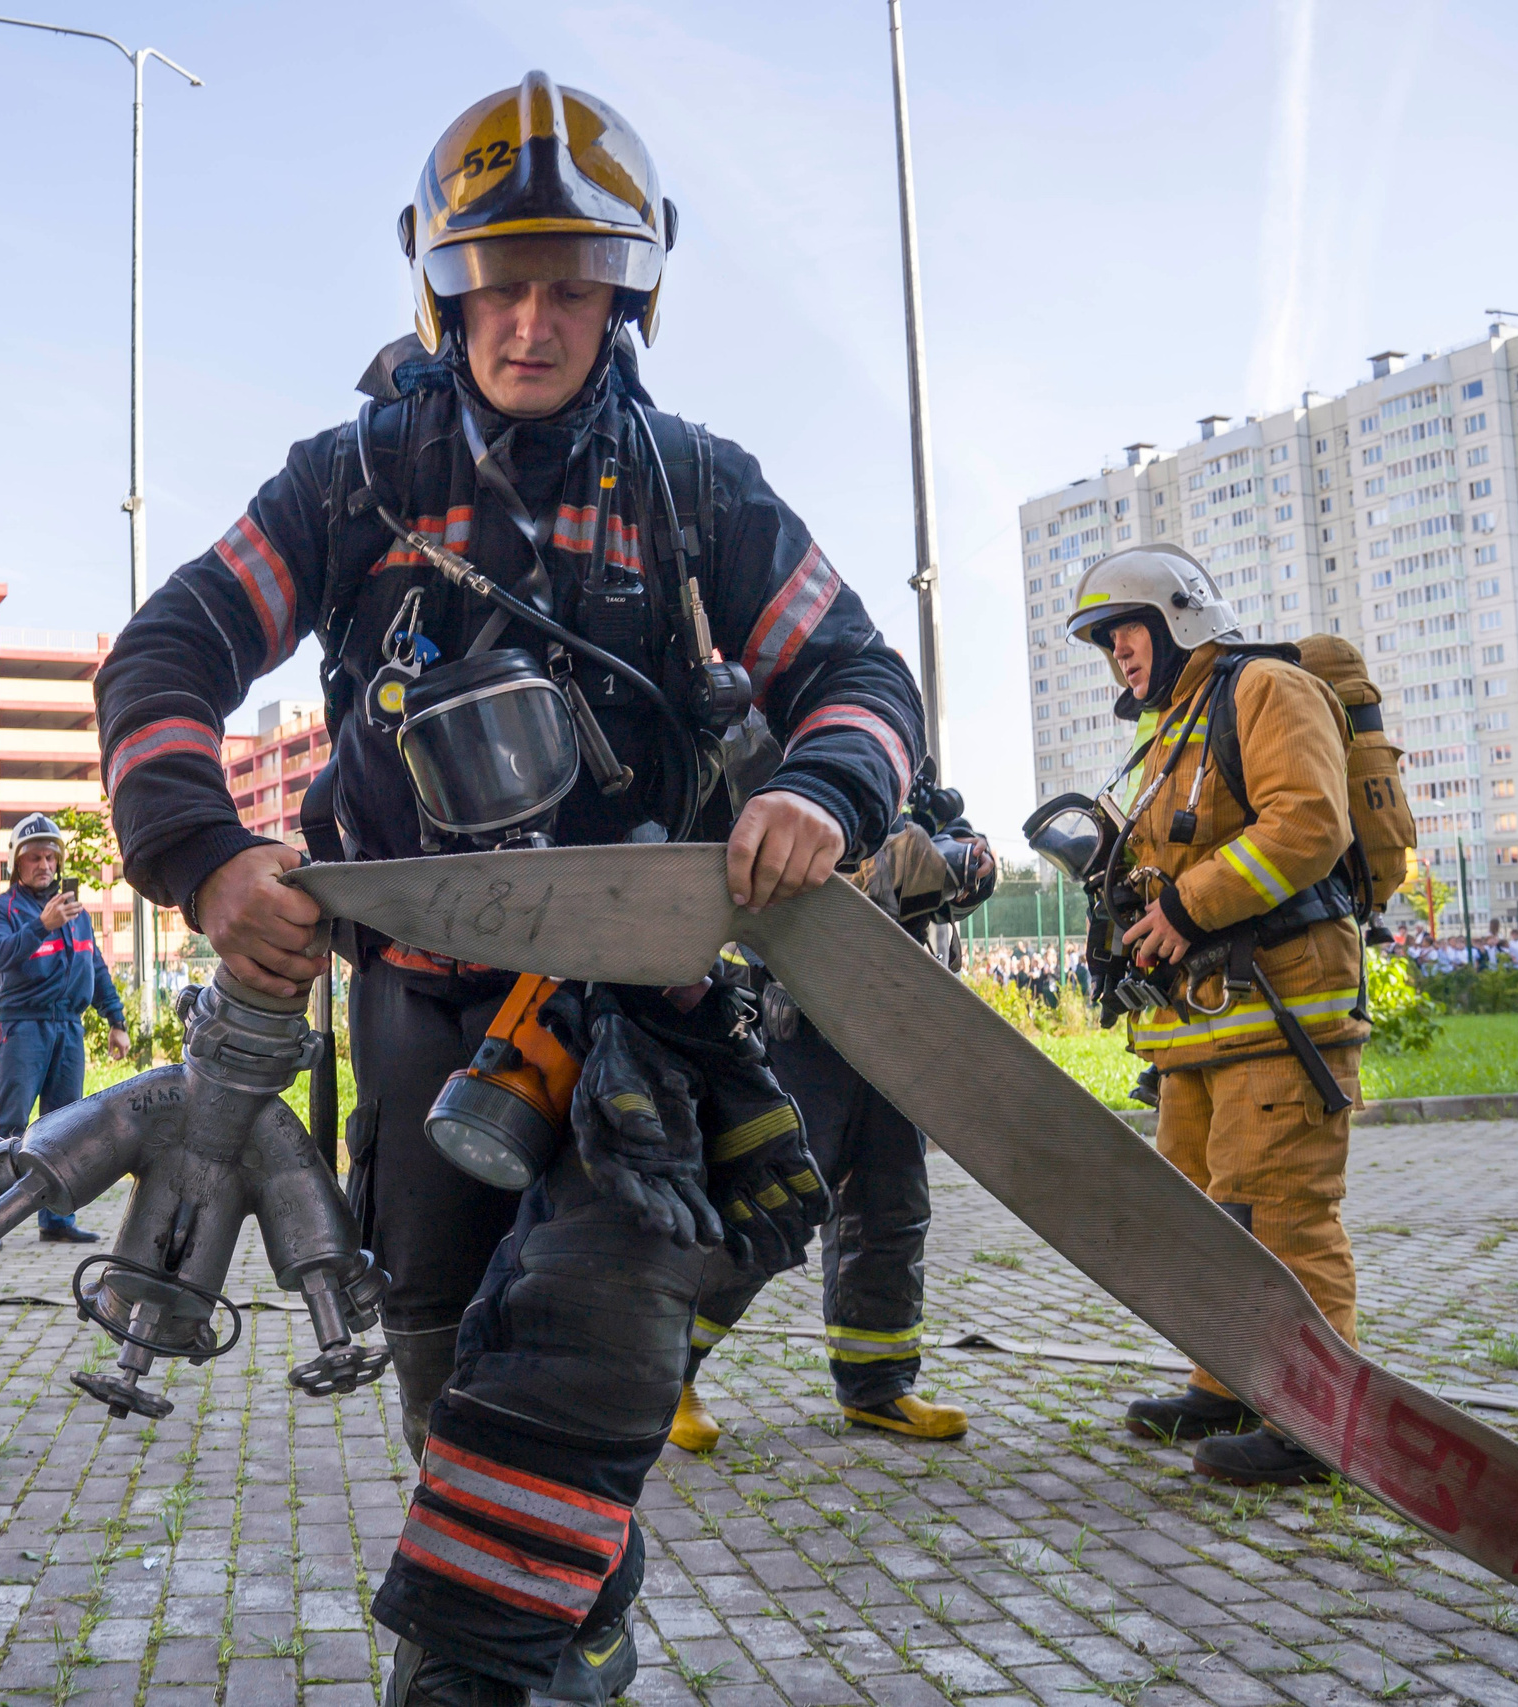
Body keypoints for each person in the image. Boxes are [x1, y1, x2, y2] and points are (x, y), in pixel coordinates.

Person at [93, 73, 922, 1707]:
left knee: (579, 1353)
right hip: (422, 998)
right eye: (502, 278)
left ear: (630, 292)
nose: (533, 318)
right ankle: (579, 1618)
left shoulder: (701, 487)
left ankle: (481, 1670)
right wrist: (205, 854)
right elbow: (165, 654)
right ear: (444, 281)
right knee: (444, 1364)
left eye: (571, 282)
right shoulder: (352, 483)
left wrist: (819, 791)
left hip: (653, 1017)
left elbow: (859, 676)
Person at [1065, 546, 1368, 1488]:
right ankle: (1230, 1383)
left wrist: (1188, 907)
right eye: (1107, 643)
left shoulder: (1265, 689)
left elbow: (1310, 822)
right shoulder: (1173, 730)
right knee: (1202, 1216)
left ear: (1180, 616)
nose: (1119, 654)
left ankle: (1318, 1422)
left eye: (1128, 632)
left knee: (1281, 1213)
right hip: (1201, 1028)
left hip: (1279, 1015)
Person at [672, 780, 997, 1452]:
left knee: (890, 1204)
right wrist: (903, 860)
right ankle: (664, 1371)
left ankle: (878, 1383)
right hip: (793, 1018)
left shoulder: (896, 762)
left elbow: (952, 859)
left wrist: (967, 861)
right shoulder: (770, 740)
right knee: (768, 1200)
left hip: (890, 1020)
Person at [0, 813, 129, 1244]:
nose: (44, 865)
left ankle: (58, 1222)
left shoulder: (76, 913)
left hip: (69, 1029)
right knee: (9, 1125)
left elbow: (94, 966)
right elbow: (1, 955)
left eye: (50, 857)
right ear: (16, 864)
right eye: (34, 858)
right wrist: (41, 925)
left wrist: (115, 1020)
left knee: (64, 1130)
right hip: (24, 1027)